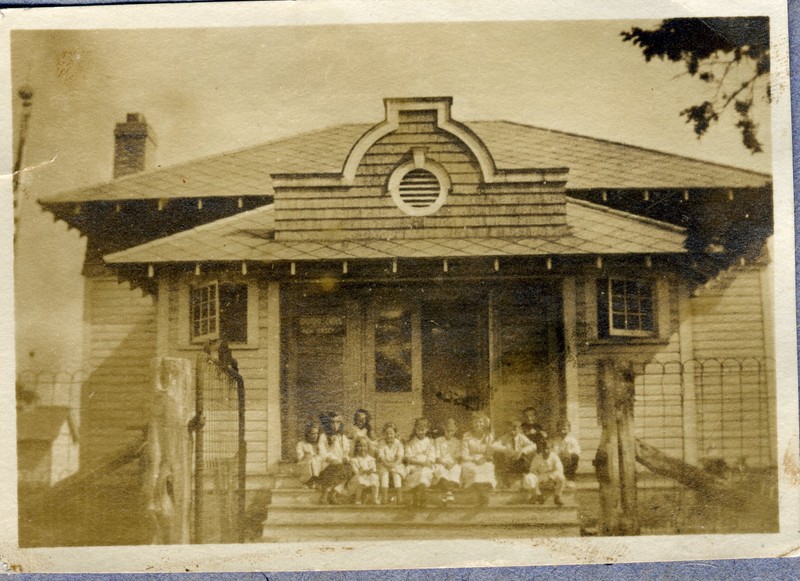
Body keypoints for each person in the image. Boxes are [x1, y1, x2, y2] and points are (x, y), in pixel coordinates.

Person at [461, 412, 496, 507]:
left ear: (484, 423)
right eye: (475, 422)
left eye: (480, 422)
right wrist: (474, 460)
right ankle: (480, 497)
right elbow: (464, 455)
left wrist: (484, 459)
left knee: (487, 468)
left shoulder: (489, 436)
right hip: (470, 461)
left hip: (484, 460)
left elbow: (490, 452)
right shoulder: (466, 436)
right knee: (474, 471)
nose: (478, 424)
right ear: (472, 424)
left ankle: (483, 496)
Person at [317, 411, 352, 504]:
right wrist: (333, 459)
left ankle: (334, 493)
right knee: (337, 468)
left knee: (348, 469)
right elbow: (322, 453)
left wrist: (346, 457)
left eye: (337, 422)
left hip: (340, 464)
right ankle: (325, 494)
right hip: (327, 464)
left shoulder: (343, 437)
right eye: (332, 422)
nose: (335, 425)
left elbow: (346, 452)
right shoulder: (324, 436)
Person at [491, 420, 536, 489]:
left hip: (519, 460)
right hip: (508, 461)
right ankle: (505, 479)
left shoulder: (521, 437)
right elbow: (494, 445)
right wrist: (506, 449)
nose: (512, 431)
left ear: (519, 429)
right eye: (510, 429)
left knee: (527, 456)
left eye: (514, 429)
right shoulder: (505, 437)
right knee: (499, 455)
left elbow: (533, 446)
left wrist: (522, 451)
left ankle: (522, 477)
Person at [522, 435, 565, 506]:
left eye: (548, 448)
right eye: (544, 448)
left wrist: (551, 477)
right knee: (528, 478)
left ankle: (557, 497)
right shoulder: (537, 457)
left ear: (551, 448)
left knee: (561, 477)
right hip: (540, 476)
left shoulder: (554, 457)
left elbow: (559, 470)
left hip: (551, 477)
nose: (546, 451)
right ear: (541, 449)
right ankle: (538, 496)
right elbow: (532, 470)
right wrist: (539, 477)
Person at [404, 418, 436, 508]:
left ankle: (420, 498)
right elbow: (408, 457)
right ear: (415, 429)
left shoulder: (430, 442)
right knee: (416, 474)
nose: (420, 432)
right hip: (414, 465)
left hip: (426, 465)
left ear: (426, 429)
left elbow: (431, 455)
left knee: (425, 473)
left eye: (423, 430)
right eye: (418, 429)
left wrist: (428, 462)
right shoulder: (410, 442)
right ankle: (419, 498)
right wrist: (421, 464)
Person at [433, 418, 462, 505]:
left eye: (452, 431)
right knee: (441, 471)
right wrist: (444, 463)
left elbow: (457, 457)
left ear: (455, 430)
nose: (450, 433)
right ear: (444, 429)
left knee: (456, 470)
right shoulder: (438, 440)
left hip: (452, 463)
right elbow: (437, 456)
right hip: (441, 462)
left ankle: (447, 494)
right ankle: (449, 493)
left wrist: (452, 464)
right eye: (448, 430)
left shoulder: (457, 441)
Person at [377, 422, 406, 505]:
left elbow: (400, 456)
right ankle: (384, 497)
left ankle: (399, 497)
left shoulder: (398, 443)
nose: (389, 436)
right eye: (387, 434)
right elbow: (381, 455)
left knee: (396, 473)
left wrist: (394, 464)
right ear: (384, 434)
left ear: (395, 434)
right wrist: (386, 464)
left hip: (395, 463)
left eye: (391, 433)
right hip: (384, 463)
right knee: (384, 474)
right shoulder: (381, 443)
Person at [348, 437, 380, 505]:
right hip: (358, 479)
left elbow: (373, 469)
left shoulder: (371, 459)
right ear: (356, 447)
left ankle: (374, 498)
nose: (363, 448)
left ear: (368, 447)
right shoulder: (354, 460)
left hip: (368, 477)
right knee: (359, 479)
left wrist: (371, 471)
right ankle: (358, 499)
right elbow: (356, 472)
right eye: (360, 446)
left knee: (375, 477)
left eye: (364, 446)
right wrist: (362, 471)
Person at [551, 419, 581, 489]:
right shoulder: (556, 440)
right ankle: (557, 479)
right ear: (558, 430)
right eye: (560, 429)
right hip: (559, 461)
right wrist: (560, 454)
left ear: (569, 429)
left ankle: (570, 479)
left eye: (564, 429)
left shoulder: (572, 440)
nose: (562, 431)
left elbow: (577, 451)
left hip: (568, 461)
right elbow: (554, 452)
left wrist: (567, 453)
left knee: (575, 456)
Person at [295, 422, 323, 488]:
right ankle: (310, 481)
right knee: (312, 460)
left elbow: (323, 456)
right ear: (307, 434)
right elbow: (300, 457)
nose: (315, 435)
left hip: (317, 465)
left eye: (316, 433)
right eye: (313, 434)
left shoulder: (318, 445)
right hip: (304, 464)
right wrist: (306, 456)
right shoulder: (301, 444)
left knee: (316, 459)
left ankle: (314, 480)